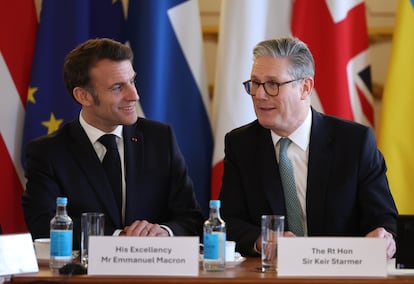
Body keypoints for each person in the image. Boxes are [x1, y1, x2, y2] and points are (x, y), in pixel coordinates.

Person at [219, 37, 398, 259]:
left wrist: (384, 236)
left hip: (340, 274)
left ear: (305, 87)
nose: (259, 94)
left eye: (273, 84)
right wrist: (261, 240)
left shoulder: (354, 142)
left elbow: (383, 219)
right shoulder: (241, 144)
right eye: (255, 83)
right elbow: (228, 221)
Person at [22, 38, 204, 249]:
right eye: (118, 87)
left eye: (133, 81)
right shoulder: (48, 153)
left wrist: (164, 232)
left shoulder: (160, 139)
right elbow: (44, 225)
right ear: (84, 96)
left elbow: (191, 219)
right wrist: (119, 239)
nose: (134, 95)